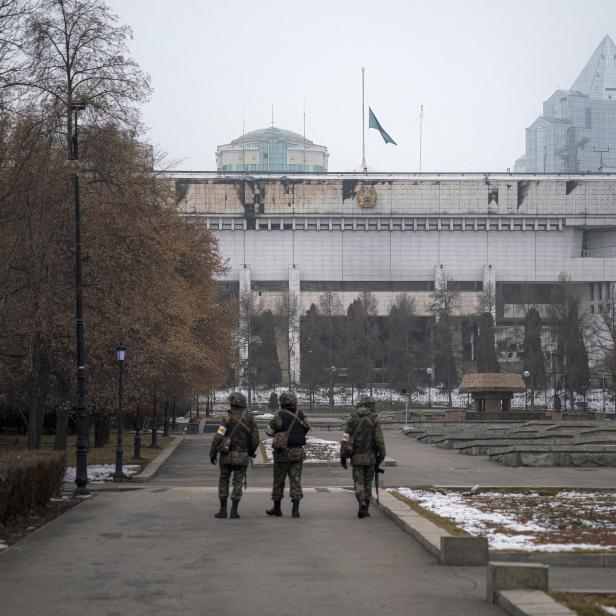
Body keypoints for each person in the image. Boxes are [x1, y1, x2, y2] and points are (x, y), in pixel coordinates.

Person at [209, 392, 259, 519]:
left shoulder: (226, 418)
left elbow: (219, 436)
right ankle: (234, 510)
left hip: (226, 455)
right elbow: (255, 439)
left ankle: (223, 510)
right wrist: (251, 451)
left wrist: (213, 452)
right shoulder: (250, 419)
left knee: (224, 480)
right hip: (242, 456)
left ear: (232, 403)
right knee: (238, 482)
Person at [265, 391, 310, 518]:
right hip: (297, 452)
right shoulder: (300, 415)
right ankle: (295, 510)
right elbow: (307, 427)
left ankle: (277, 508)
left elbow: (269, 431)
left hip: (282, 453)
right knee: (296, 481)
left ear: (282, 403)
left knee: (279, 481)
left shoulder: (280, 415)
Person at [340, 395, 386, 519]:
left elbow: (345, 439)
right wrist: (381, 456)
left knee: (358, 482)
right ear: (371, 406)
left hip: (356, 458)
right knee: (367, 483)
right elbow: (379, 441)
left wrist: (342, 456)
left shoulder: (352, 420)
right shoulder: (374, 420)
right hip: (371, 459)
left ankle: (361, 501)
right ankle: (365, 508)